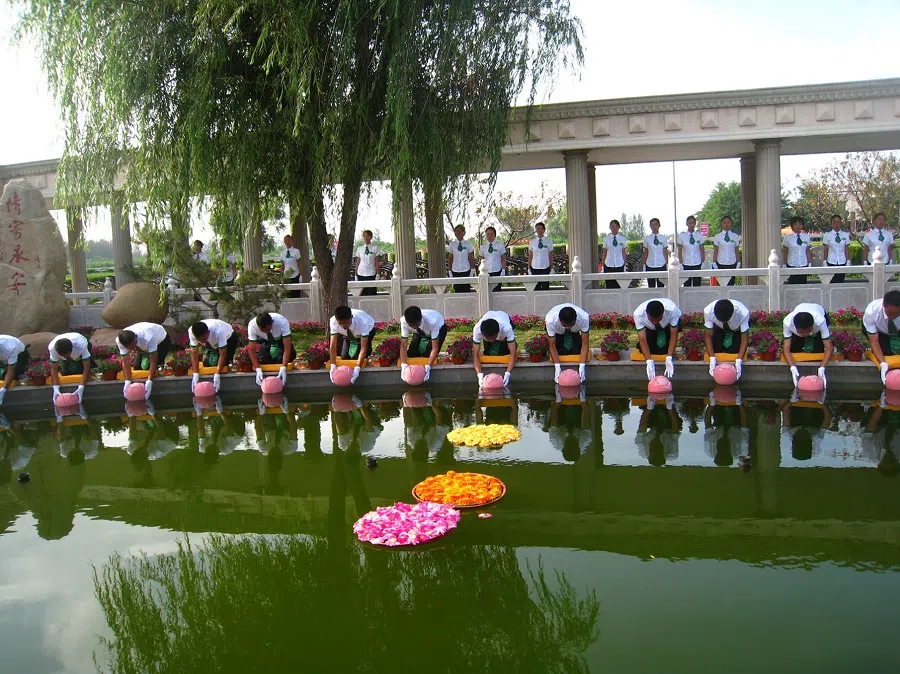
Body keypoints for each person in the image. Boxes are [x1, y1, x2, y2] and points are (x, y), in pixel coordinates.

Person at [782, 302, 832, 387]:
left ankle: (813, 337)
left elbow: (829, 347)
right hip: (800, 313)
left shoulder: (820, 321)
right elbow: (786, 348)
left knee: (818, 351)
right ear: (795, 328)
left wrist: (822, 367)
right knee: (793, 349)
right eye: (801, 332)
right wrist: (792, 367)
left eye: (807, 331)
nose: (804, 334)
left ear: (812, 326)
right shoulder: (788, 323)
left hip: (819, 311)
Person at [117, 322, 171, 400]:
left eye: (133, 345)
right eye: (129, 347)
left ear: (135, 338)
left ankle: (160, 366)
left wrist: (150, 381)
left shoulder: (148, 337)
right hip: (142, 344)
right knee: (137, 367)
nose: (132, 348)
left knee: (148, 368)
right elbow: (125, 362)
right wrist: (127, 381)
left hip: (161, 339)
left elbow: (153, 360)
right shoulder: (120, 341)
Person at [633, 298, 680, 380]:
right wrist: (649, 361)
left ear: (663, 314)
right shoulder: (638, 314)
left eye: (658, 319)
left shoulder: (672, 310)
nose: (655, 322)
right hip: (649, 328)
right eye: (651, 319)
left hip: (667, 326)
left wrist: (669, 357)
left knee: (664, 350)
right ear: (647, 314)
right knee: (648, 349)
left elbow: (674, 335)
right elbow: (642, 338)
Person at [329, 306, 377, 385]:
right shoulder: (333, 321)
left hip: (366, 331)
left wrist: (357, 368)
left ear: (351, 317)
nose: (343, 326)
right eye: (340, 323)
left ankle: (368, 351)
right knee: (344, 356)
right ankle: (350, 340)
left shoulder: (363, 322)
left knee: (359, 356)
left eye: (347, 323)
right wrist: (333, 366)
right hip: (348, 334)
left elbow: (363, 348)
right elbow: (333, 345)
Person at [188, 319, 238, 393]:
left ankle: (229, 361)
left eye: (203, 339)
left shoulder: (219, 331)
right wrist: (195, 374)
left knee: (224, 364)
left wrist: (217, 374)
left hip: (229, 337)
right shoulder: (191, 332)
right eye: (199, 340)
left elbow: (223, 355)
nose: (202, 342)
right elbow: (194, 353)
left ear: (208, 332)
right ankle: (212, 353)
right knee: (210, 363)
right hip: (212, 341)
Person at [703, 299, 750, 379]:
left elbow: (744, 338)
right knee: (716, 350)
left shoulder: (743, 313)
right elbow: (707, 336)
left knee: (734, 351)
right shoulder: (708, 311)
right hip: (719, 328)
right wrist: (712, 358)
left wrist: (739, 361)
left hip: (737, 330)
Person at [545, 303, 590, 383]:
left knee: (576, 351)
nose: (568, 327)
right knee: (560, 352)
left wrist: (582, 365)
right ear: (560, 320)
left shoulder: (584, 318)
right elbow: (552, 346)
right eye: (565, 325)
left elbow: (585, 343)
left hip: (574, 332)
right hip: (558, 332)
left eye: (570, 325)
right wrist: (557, 366)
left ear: (575, 320)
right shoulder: (550, 320)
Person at [399, 306, 446, 381]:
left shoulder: (433, 322)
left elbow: (435, 347)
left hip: (439, 328)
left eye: (416, 325)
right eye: (411, 325)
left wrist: (428, 366)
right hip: (419, 331)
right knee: (412, 354)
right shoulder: (404, 321)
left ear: (421, 318)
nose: (413, 327)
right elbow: (403, 345)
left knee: (427, 355)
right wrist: (403, 365)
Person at [248, 312, 295, 386]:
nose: (266, 332)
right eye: (263, 330)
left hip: (280, 340)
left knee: (281, 359)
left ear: (272, 323)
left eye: (268, 329)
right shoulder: (252, 325)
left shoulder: (282, 322)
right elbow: (252, 349)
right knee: (264, 360)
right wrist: (257, 369)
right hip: (265, 341)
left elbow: (287, 347)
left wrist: (283, 367)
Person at [472, 310, 517, 387]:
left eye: (493, 337)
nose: (492, 340)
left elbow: (513, 354)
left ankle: (501, 342)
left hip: (503, 316)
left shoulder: (506, 328)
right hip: (487, 315)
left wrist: (508, 373)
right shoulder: (477, 330)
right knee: (489, 353)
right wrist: (479, 374)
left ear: (498, 331)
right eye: (488, 338)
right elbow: (475, 355)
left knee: (505, 351)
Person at [863, 291, 900, 384]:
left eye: (896, 314)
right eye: (890, 313)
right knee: (885, 354)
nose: (892, 317)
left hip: (898, 329)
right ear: (884, 305)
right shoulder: (871, 312)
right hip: (879, 331)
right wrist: (882, 363)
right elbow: (874, 341)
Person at [48, 332, 92, 404]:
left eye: (66, 355)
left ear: (71, 350)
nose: (65, 357)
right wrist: (55, 387)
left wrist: (81, 386)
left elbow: (86, 367)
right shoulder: (52, 349)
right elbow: (53, 368)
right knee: (65, 372)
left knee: (80, 370)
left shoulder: (81, 345)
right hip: (64, 346)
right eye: (63, 356)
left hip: (80, 339)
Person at [712, 215, 741, 286]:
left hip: (732, 263)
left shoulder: (735, 236)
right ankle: (722, 297)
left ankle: (729, 297)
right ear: (721, 224)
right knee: (722, 285)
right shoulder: (717, 237)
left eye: (728, 222)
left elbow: (736, 250)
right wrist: (714, 263)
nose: (726, 224)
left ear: (731, 223)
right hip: (721, 263)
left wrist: (738, 262)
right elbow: (715, 250)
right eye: (724, 222)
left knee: (731, 284)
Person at [0, 335, 28, 405]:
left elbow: (11, 371)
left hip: (20, 354)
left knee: (7, 377)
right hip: (5, 358)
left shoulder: (10, 347)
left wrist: (3, 391)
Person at [678, 215, 706, 287]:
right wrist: (680, 263)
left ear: (695, 224)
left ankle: (696, 298)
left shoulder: (699, 235)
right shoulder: (682, 236)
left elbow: (702, 250)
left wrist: (702, 262)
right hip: (686, 263)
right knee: (687, 285)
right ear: (686, 224)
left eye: (693, 223)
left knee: (697, 285)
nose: (691, 224)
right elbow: (679, 251)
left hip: (697, 263)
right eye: (689, 223)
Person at [782, 215, 811, 284]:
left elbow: (808, 251)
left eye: (800, 224)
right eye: (795, 224)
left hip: (803, 264)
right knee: (792, 285)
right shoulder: (787, 237)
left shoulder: (806, 237)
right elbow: (785, 252)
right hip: (792, 264)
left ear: (802, 225)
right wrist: (785, 264)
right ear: (792, 226)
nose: (798, 226)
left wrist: (809, 263)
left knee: (803, 284)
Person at [447, 224, 475, 293]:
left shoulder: (468, 244)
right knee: (457, 291)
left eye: (460, 231)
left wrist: (472, 270)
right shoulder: (452, 245)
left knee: (466, 290)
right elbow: (450, 259)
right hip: (455, 271)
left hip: (466, 270)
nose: (458, 233)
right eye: (456, 232)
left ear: (464, 233)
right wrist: (450, 271)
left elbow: (471, 258)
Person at [642, 217, 669, 288]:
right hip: (650, 265)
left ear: (659, 225)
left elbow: (665, 252)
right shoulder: (647, 239)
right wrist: (644, 265)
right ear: (650, 226)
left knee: (661, 287)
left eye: (656, 224)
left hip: (661, 265)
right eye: (652, 225)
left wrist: (667, 264)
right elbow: (645, 253)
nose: (654, 227)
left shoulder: (663, 238)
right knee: (651, 287)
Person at [822, 214, 850, 283]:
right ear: (831, 224)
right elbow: (826, 249)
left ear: (840, 223)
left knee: (840, 281)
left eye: (838, 222)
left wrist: (848, 260)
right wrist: (824, 261)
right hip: (831, 261)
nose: (836, 224)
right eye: (834, 222)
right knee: (831, 282)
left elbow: (846, 248)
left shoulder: (845, 235)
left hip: (842, 261)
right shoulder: (827, 235)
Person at [354, 230, 381, 296]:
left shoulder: (375, 248)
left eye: (368, 236)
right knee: (362, 293)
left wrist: (378, 274)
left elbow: (376, 262)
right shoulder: (359, 248)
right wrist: (355, 275)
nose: (366, 238)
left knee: (371, 293)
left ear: (371, 237)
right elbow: (357, 262)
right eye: (364, 236)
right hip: (361, 273)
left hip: (371, 273)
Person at [479, 226, 506, 292]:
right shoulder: (483, 247)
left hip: (497, 271)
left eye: (491, 234)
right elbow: (481, 260)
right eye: (488, 234)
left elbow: (503, 258)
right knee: (486, 291)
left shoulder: (500, 245)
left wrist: (503, 270)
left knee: (497, 291)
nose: (489, 236)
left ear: (495, 235)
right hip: (486, 272)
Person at [601, 219, 627, 289]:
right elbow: (604, 253)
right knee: (609, 286)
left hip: (619, 264)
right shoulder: (606, 239)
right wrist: (603, 266)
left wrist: (624, 264)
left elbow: (624, 252)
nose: (614, 228)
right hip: (609, 265)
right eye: (612, 226)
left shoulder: (623, 239)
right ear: (610, 227)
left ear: (619, 227)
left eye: (616, 226)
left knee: (619, 287)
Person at [528, 221, 553, 290]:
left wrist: (552, 267)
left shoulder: (549, 241)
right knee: (536, 289)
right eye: (538, 229)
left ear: (544, 230)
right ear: (536, 230)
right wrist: (529, 268)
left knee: (545, 288)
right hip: (535, 268)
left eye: (541, 228)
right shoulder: (532, 242)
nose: (540, 230)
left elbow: (550, 255)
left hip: (545, 267)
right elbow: (530, 255)